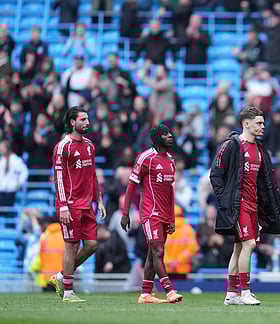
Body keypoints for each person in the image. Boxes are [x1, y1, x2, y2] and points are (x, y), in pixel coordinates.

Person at [210, 106, 280, 306]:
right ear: (246, 123)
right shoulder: (231, 145)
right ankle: (245, 291)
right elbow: (215, 174)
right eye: (259, 123)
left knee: (239, 248)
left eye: (263, 123)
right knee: (249, 244)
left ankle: (231, 293)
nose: (263, 126)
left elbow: (265, 183)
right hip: (238, 206)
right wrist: (226, 202)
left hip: (254, 206)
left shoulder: (260, 149)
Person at [48, 107, 107, 303]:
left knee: (92, 245)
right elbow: (58, 178)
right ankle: (68, 293)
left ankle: (60, 277)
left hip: (87, 204)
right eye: (83, 119)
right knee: (71, 246)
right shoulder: (63, 146)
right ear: (72, 122)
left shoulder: (90, 145)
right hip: (70, 204)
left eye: (88, 118)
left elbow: (92, 174)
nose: (87, 122)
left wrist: (99, 200)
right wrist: (63, 205)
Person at [120, 124, 183, 304]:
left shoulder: (171, 160)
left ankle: (145, 294)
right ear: (157, 139)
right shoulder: (145, 158)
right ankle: (170, 291)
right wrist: (126, 213)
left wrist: (171, 218)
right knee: (158, 251)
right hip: (150, 212)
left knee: (152, 255)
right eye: (165, 134)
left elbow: (171, 193)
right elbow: (132, 185)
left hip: (165, 215)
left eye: (170, 133)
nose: (170, 136)